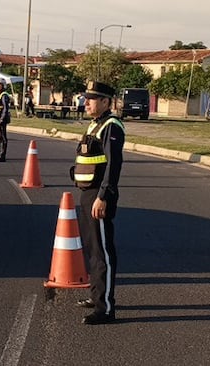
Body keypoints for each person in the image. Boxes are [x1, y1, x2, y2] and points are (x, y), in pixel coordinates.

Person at [70, 80, 125, 325]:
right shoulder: (95, 125)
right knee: (93, 249)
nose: (86, 102)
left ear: (105, 101)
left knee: (103, 251)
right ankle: (97, 295)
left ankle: (105, 309)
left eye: (91, 99)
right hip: (87, 193)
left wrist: (103, 196)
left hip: (98, 195)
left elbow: (114, 165)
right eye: (86, 98)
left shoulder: (111, 126)